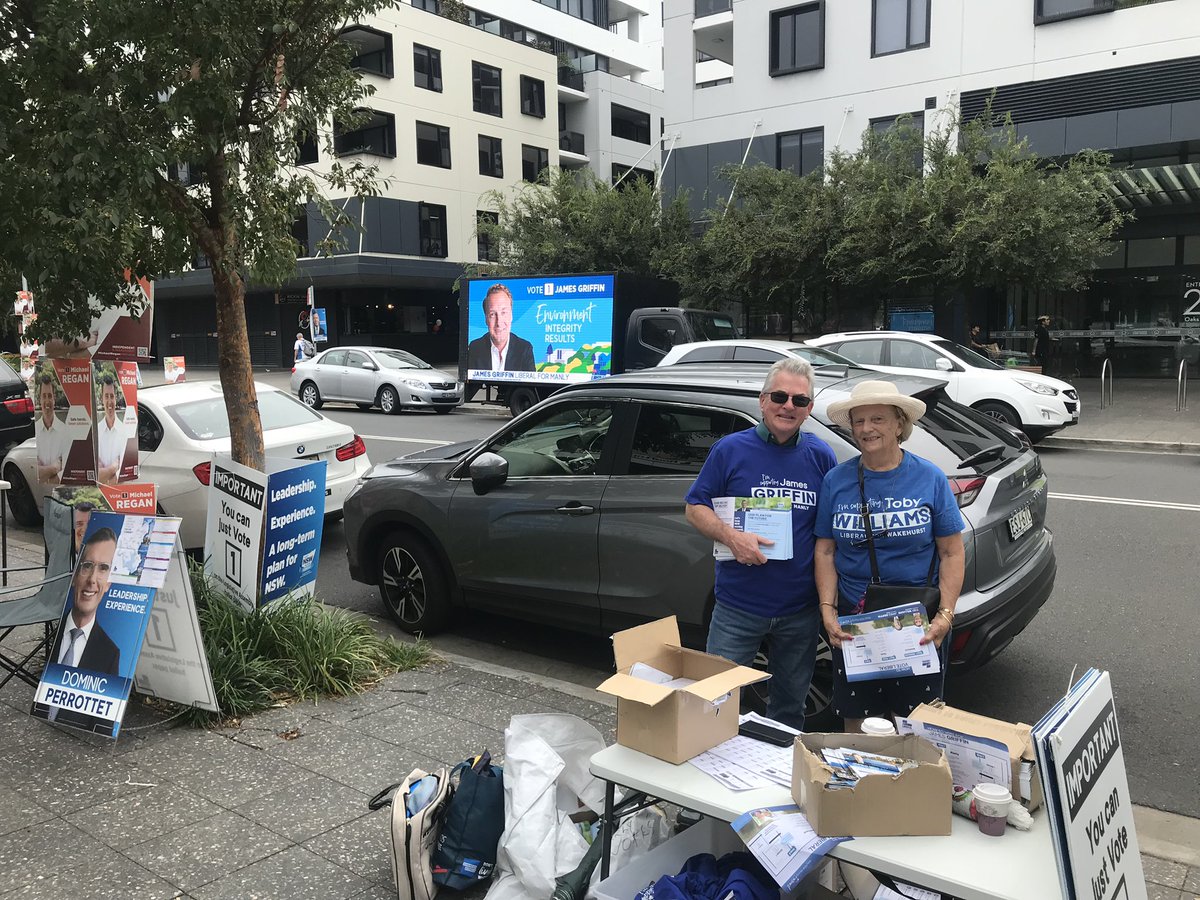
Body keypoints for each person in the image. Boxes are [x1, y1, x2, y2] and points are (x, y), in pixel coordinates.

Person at [684, 357, 837, 730]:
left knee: (788, 711)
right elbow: (694, 507)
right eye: (780, 396)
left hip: (799, 613)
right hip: (739, 606)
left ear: (809, 410)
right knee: (715, 706)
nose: (788, 406)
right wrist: (731, 536)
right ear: (763, 400)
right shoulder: (729, 450)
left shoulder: (821, 457)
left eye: (799, 401)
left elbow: (827, 537)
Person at [814, 380, 965, 732]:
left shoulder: (930, 478)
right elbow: (825, 550)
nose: (867, 429)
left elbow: (951, 551)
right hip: (855, 624)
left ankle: (909, 787)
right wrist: (827, 610)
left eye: (878, 419)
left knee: (914, 727)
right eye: (859, 421)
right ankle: (863, 787)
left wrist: (946, 614)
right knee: (858, 725)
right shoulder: (836, 480)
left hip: (918, 627)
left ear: (899, 424)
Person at [32, 527, 122, 733]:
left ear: (109, 582)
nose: (92, 579)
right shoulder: (57, 634)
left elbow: (103, 725)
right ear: (74, 576)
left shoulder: (110, 654)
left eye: (103, 568)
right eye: (87, 566)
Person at [466, 284, 535, 372]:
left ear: (511, 316)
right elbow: (472, 384)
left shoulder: (524, 348)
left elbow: (529, 385)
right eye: (492, 314)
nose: (499, 322)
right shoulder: (475, 348)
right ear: (486, 319)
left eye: (504, 313)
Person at [34, 372, 66, 484]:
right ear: (39, 399)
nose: (47, 401)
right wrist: (54, 468)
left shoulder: (65, 431)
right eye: (44, 396)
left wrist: (44, 472)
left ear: (54, 398)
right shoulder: (35, 431)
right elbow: (36, 473)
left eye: (49, 396)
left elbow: (66, 472)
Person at [96, 376, 125, 485]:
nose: (109, 401)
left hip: (119, 492)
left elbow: (120, 477)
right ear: (101, 398)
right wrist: (113, 468)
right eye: (106, 396)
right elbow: (96, 476)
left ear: (116, 398)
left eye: (112, 396)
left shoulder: (125, 432)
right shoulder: (95, 432)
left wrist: (104, 474)